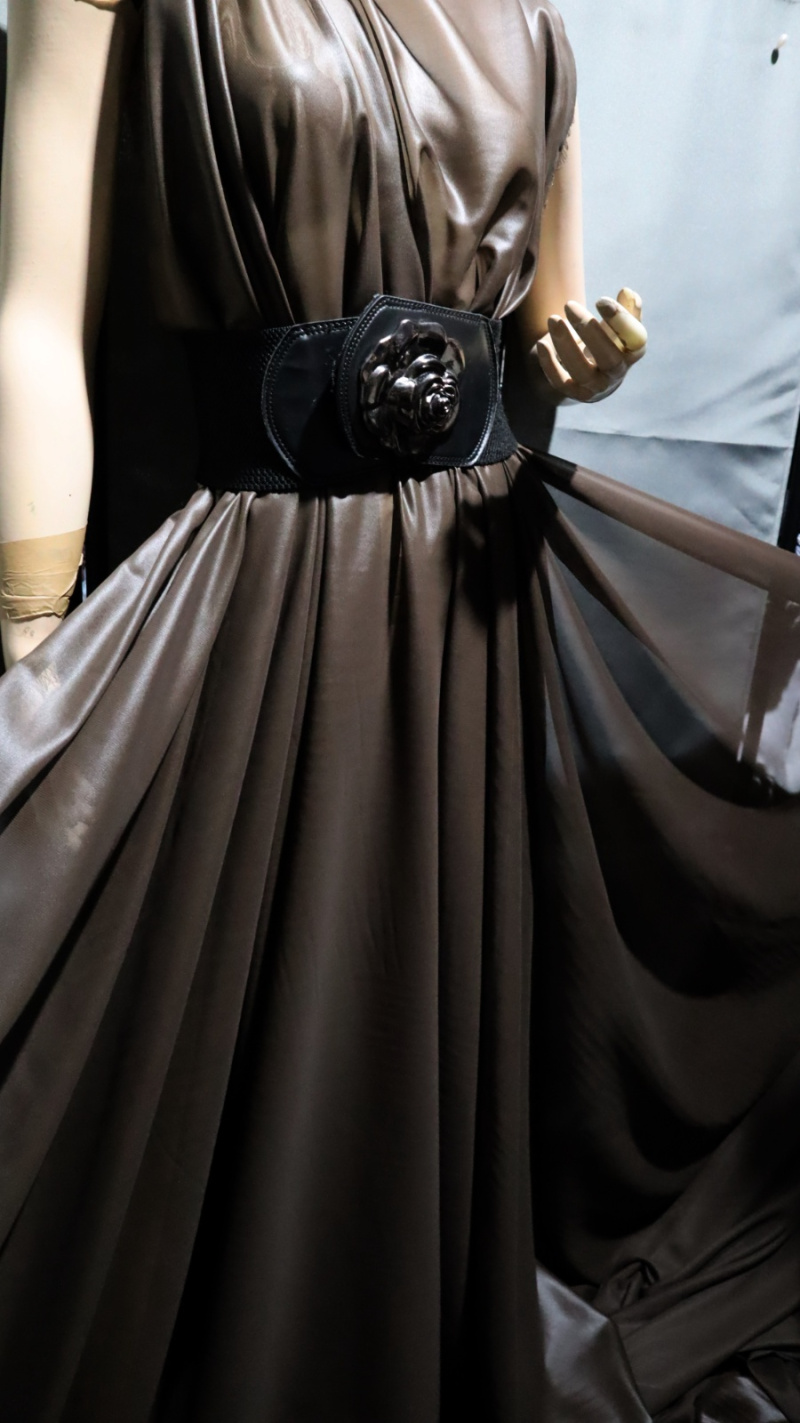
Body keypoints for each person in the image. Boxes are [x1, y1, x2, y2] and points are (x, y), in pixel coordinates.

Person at [0, 1, 798, 1419]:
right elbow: (32, 316)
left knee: (404, 1021)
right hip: (251, 586)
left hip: (459, 596)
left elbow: (539, 334)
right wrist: (32, 640)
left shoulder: (527, 19)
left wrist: (575, 360)